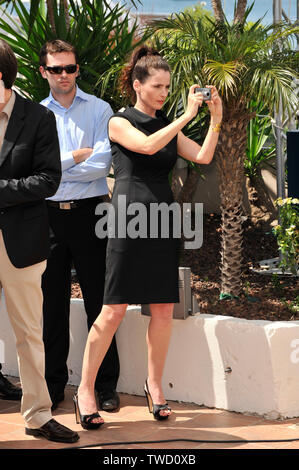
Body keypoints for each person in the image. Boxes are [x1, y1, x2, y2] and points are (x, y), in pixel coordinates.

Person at [74, 45, 223, 428]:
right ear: (137, 85)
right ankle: (85, 390)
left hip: (161, 220)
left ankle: (154, 387)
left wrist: (215, 119)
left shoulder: (168, 126)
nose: (163, 93)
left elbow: (203, 156)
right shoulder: (118, 121)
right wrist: (185, 117)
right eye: (157, 85)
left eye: (168, 86)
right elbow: (145, 146)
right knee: (113, 310)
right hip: (126, 218)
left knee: (161, 311)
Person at [0, 39, 79, 443]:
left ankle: (37, 414)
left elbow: (48, 180)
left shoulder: (37, 119)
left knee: (30, 331)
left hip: (21, 241)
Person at [39, 39, 120, 412]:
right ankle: (54, 386)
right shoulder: (35, 115)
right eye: (56, 69)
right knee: (51, 305)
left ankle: (104, 387)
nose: (65, 75)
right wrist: (74, 158)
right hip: (48, 218)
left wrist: (59, 168)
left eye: (70, 68)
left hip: (92, 213)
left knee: (100, 302)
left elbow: (102, 166)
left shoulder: (100, 110)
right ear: (44, 72)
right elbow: (37, 173)